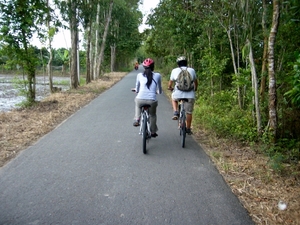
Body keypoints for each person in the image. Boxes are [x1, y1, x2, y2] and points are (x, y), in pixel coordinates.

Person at [168, 56, 198, 134]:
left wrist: (170, 87)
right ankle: (188, 128)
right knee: (189, 112)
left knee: (174, 98)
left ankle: (175, 112)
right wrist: (195, 89)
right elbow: (195, 82)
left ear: (178, 64)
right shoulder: (192, 70)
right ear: (186, 63)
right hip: (190, 95)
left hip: (178, 93)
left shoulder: (174, 70)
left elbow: (170, 83)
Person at [133, 58, 162, 137]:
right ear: (153, 67)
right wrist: (158, 92)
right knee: (152, 115)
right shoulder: (158, 75)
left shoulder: (139, 75)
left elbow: (137, 88)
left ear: (144, 67)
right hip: (152, 100)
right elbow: (160, 89)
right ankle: (153, 132)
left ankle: (137, 119)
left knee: (137, 102)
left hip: (140, 99)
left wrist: (136, 90)